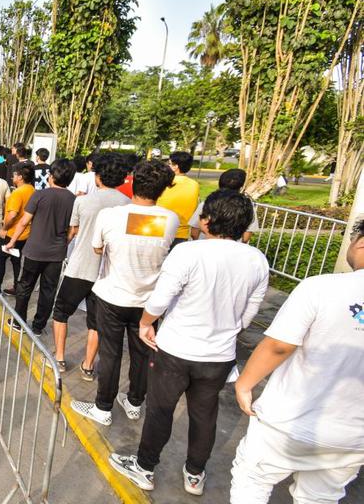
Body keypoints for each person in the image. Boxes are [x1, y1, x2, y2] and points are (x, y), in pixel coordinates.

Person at [109, 190, 269, 495]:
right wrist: (225, 331)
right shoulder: (257, 260)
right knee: (205, 414)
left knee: (160, 409)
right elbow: (249, 314)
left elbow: (160, 300)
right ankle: (195, 474)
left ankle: (145, 467)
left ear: (207, 220)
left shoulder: (189, 253)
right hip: (219, 355)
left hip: (176, 349)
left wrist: (146, 324)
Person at [230, 217, 364, 503]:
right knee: (320, 497)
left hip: (289, 421)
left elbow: (280, 345)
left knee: (252, 479)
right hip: (353, 437)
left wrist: (245, 383)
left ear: (360, 242)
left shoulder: (321, 287)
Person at [70, 160, 178, 427]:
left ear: (133, 182)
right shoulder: (171, 219)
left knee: (110, 353)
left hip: (112, 296)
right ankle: (134, 401)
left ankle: (102, 407)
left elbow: (97, 249)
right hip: (149, 302)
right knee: (142, 354)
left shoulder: (111, 216)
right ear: (163, 189)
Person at [49, 153, 130, 377]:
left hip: (80, 267)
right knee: (95, 322)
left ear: (98, 176)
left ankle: (60, 358)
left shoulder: (83, 201)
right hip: (108, 273)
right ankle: (88, 365)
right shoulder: (128, 205)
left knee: (61, 313)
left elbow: (72, 232)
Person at [5, 159, 77, 334]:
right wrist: (63, 243)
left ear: (51, 176)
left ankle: (19, 322)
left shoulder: (39, 195)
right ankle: (38, 326)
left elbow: (23, 222)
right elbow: (73, 230)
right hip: (57, 254)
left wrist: (12, 241)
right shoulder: (73, 199)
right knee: (48, 290)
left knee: (25, 286)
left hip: (34, 250)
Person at [0, 164, 35, 296]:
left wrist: (4, 228)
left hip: (11, 234)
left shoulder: (17, 193)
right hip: (25, 235)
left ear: (20, 177)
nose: (12, 177)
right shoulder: (32, 190)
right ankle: (17, 287)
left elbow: (12, 215)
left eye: (14, 175)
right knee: (16, 261)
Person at [189, 168, 258, 243]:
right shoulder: (246, 205)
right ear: (241, 187)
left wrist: (197, 243)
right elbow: (247, 235)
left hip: (205, 245)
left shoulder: (208, 202)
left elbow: (194, 231)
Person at [157, 151, 200, 247]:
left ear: (175, 166)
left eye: (169, 163)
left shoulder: (164, 182)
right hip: (182, 234)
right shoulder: (195, 185)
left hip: (160, 230)